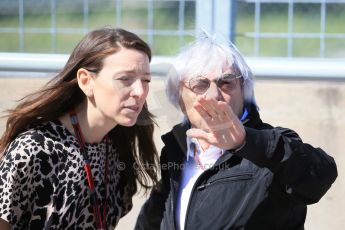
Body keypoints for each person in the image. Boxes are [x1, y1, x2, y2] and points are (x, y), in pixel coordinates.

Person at [135, 33, 338, 230]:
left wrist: (247, 142)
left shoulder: (270, 146)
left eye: (226, 83)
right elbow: (155, 218)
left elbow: (320, 176)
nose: (214, 95)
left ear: (243, 91)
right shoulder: (177, 151)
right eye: (199, 84)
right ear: (178, 97)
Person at [0, 27, 159, 230]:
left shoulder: (117, 149)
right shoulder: (34, 150)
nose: (140, 91)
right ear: (86, 81)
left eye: (146, 80)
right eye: (125, 79)